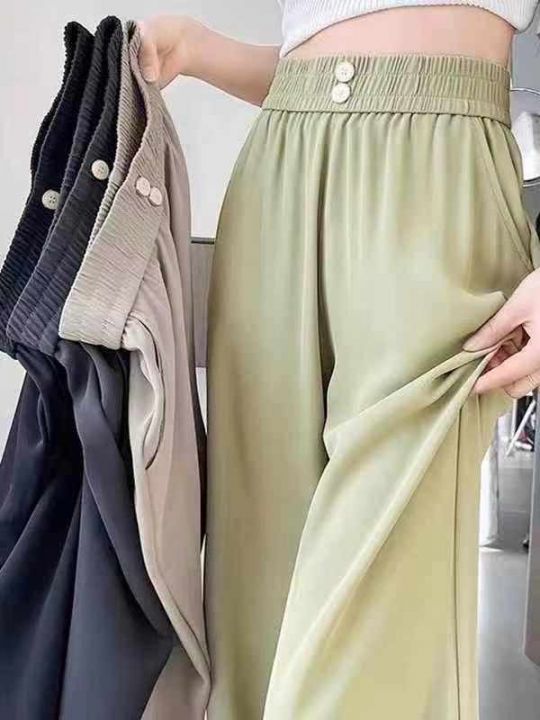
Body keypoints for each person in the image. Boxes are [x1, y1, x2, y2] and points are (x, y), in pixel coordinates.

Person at [137, 4, 540, 719]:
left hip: (440, 178)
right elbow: (320, 54)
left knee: (372, 647)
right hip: (280, 171)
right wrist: (197, 49)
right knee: (257, 623)